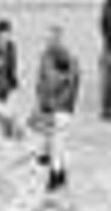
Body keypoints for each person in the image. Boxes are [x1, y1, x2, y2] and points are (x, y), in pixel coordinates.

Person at [34, 26, 81, 192]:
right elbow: (40, 83)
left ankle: (55, 176)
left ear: (59, 40)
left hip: (61, 110)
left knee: (58, 143)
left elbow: (71, 86)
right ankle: (59, 174)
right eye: (48, 40)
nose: (49, 43)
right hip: (51, 108)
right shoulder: (45, 58)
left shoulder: (69, 61)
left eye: (52, 40)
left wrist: (56, 105)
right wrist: (41, 103)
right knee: (56, 143)